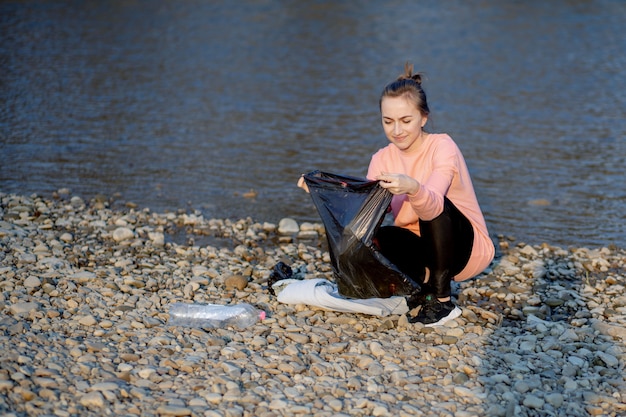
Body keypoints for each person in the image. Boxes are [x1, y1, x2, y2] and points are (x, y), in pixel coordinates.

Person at [299, 63, 494, 326]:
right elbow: (362, 212)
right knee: (365, 236)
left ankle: (443, 303)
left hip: (465, 249)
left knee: (433, 205)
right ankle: (419, 289)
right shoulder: (381, 159)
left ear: (423, 118)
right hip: (421, 247)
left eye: (406, 121)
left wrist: (412, 187)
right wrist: (323, 189)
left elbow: (434, 203)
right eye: (388, 121)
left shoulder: (442, 147)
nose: (397, 130)